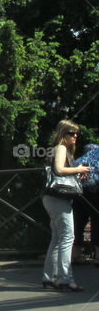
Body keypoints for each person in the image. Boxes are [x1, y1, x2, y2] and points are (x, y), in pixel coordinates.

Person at [42, 119, 90, 291]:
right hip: (58, 198)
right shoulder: (61, 148)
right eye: (71, 133)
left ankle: (49, 277)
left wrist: (77, 173)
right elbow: (59, 169)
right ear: (63, 134)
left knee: (57, 238)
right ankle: (65, 279)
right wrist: (79, 170)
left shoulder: (59, 149)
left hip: (51, 197)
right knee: (67, 237)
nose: (75, 136)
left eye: (76, 133)